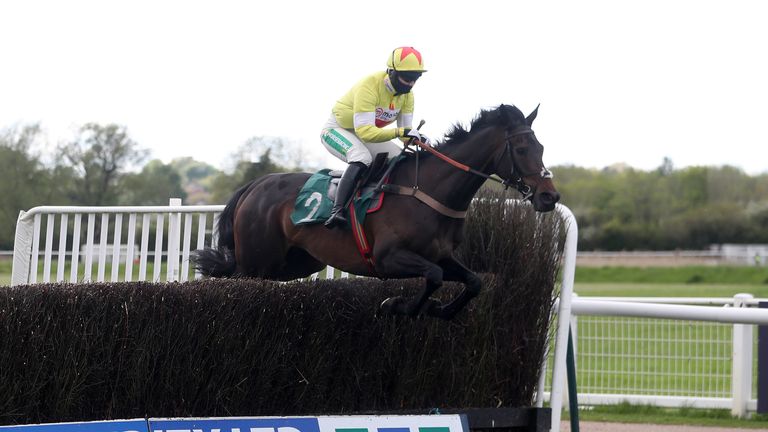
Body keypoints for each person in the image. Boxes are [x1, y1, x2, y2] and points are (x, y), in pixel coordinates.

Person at [320, 46, 430, 229]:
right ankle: (337, 211)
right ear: (391, 71)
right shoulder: (369, 85)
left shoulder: (408, 96)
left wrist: (419, 139)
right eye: (407, 78)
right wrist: (399, 133)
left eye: (415, 78)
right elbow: (366, 132)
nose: (410, 84)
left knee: (401, 159)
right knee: (362, 157)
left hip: (366, 134)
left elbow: (405, 134)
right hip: (337, 130)